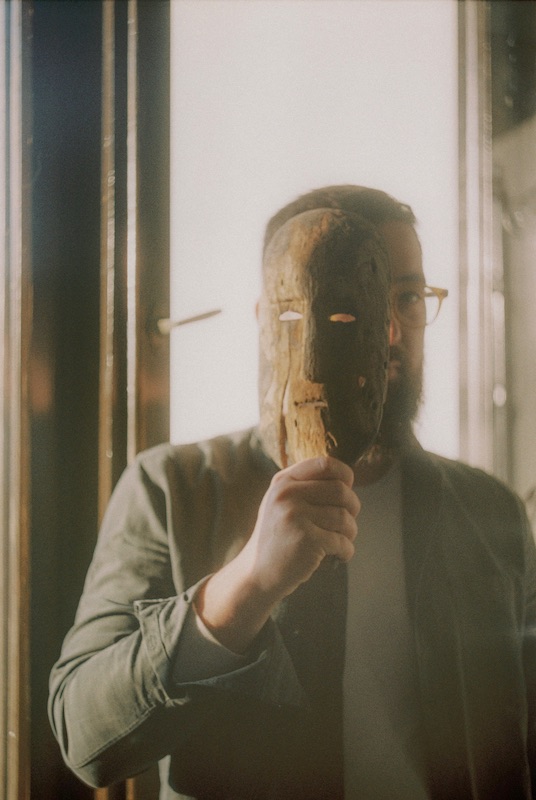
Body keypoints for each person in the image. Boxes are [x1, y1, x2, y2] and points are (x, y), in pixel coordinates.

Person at [49, 185, 536, 800]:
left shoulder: (491, 513)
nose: (387, 331)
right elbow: (83, 738)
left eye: (408, 298)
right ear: (271, 319)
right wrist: (245, 586)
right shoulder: (170, 490)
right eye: (343, 303)